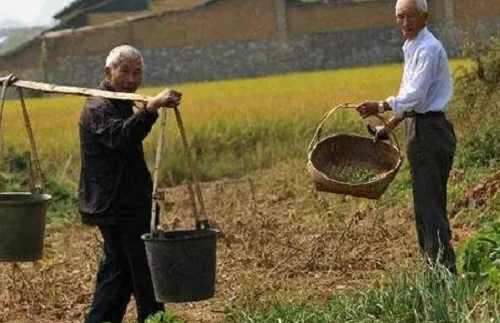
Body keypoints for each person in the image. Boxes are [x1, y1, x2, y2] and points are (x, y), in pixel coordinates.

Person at [79, 45, 182, 323]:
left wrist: (146, 108)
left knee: (119, 272)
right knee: (145, 270)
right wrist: (150, 109)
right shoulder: (98, 106)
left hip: (128, 202)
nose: (132, 79)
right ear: (108, 72)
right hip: (118, 205)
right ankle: (154, 320)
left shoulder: (121, 103)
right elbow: (122, 137)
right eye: (124, 71)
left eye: (137, 73)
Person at [356, 0, 457, 273]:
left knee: (430, 205)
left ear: (424, 17)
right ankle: (433, 270)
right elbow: (408, 99)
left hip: (431, 131)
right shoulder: (412, 47)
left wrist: (378, 106)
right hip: (419, 128)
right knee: (422, 204)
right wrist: (387, 127)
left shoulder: (428, 49)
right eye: (400, 17)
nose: (405, 23)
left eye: (410, 17)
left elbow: (414, 97)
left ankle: (444, 274)